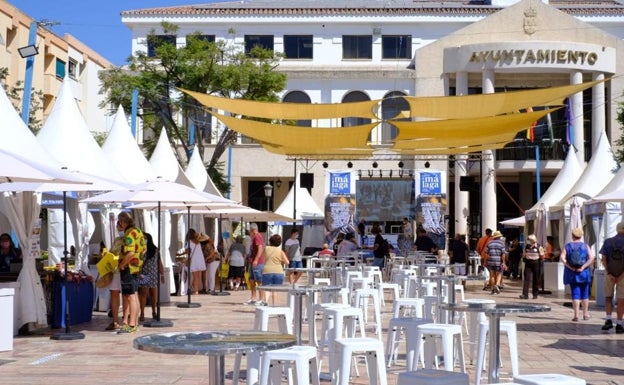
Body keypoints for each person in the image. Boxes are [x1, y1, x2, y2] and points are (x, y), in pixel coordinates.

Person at [116, 212, 146, 334]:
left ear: (123, 222)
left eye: (119, 222)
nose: (119, 225)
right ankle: (135, 322)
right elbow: (144, 250)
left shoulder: (129, 234)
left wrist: (122, 264)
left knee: (130, 296)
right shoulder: (138, 231)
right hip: (136, 267)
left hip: (128, 267)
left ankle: (132, 324)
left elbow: (130, 253)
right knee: (135, 294)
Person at [560, 227, 594, 322]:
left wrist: (569, 266)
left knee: (575, 294)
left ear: (572, 235)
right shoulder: (585, 246)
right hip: (584, 273)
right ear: (581, 235)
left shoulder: (568, 246)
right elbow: (591, 258)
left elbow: (562, 258)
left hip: (572, 274)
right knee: (585, 295)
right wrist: (583, 267)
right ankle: (586, 314)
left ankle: (576, 316)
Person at [599, 221, 624, 333]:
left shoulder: (608, 241)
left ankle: (608, 319)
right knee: (621, 300)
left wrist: (609, 273)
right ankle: (619, 324)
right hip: (623, 276)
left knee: (608, 297)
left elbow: (603, 258)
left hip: (609, 274)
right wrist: (621, 276)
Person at [138, 233, 164, 322]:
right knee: (144, 295)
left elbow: (159, 263)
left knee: (152, 295)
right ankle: (142, 313)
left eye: (144, 238)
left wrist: (162, 274)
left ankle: (153, 312)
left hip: (150, 274)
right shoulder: (142, 250)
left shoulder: (156, 250)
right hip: (146, 274)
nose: (143, 240)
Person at [261, 234, 290, 306]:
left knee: (266, 288)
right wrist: (280, 260)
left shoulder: (266, 248)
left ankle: (266, 302)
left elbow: (262, 258)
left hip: (267, 271)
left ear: (270, 241)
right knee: (275, 290)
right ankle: (275, 306)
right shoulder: (280, 251)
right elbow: (287, 262)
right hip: (278, 272)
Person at [245, 223, 265, 305]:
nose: (249, 233)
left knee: (259, 280)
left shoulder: (257, 237)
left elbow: (260, 248)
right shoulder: (255, 238)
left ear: (252, 230)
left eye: (249, 231)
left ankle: (261, 299)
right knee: (252, 280)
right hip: (253, 262)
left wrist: (256, 260)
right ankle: (253, 298)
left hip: (258, 263)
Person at [520, 234, 544, 300]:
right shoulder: (527, 246)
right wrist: (524, 256)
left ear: (532, 240)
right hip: (528, 263)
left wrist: (539, 260)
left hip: (536, 263)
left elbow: (542, 256)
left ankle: (535, 294)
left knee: (535, 279)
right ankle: (525, 294)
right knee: (526, 279)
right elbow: (523, 255)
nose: (528, 241)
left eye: (529, 240)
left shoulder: (539, 247)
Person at [485, 230, 507, 294]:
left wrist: (485, 261)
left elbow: (486, 253)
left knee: (492, 275)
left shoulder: (489, 243)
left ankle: (492, 289)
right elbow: (503, 254)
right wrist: (504, 262)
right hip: (498, 261)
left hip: (490, 261)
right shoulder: (502, 243)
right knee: (499, 273)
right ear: (499, 236)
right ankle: (497, 285)